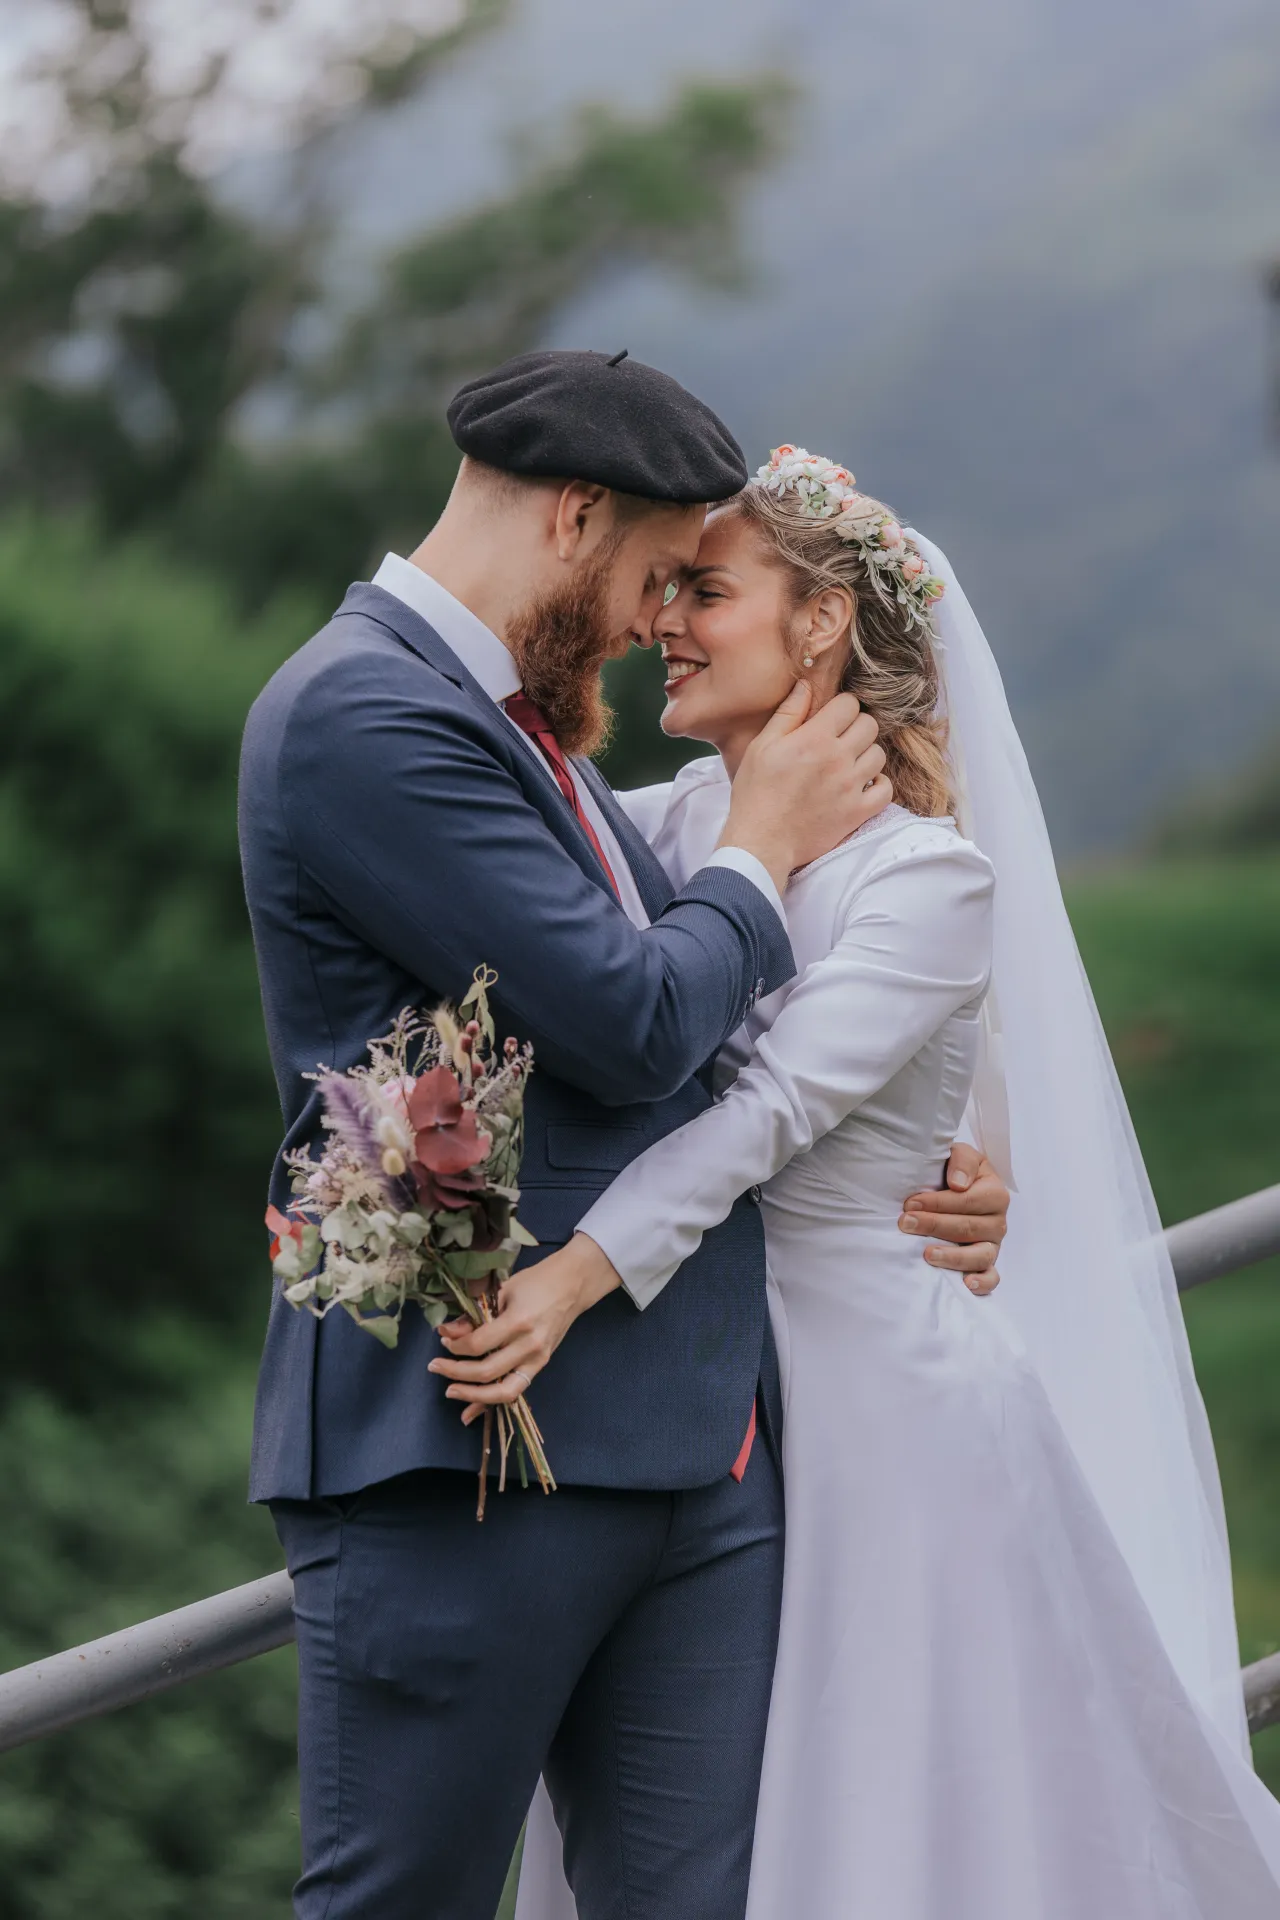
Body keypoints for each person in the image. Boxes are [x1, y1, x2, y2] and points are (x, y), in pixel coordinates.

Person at [438, 449, 1280, 1918]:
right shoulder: (685, 822)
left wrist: (577, 1272)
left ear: (821, 626)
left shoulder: (928, 878)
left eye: (707, 589)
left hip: (881, 1418)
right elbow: (538, 891)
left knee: (896, 1803)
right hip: (715, 1397)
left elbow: (773, 1109)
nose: (668, 625)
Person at [237, 359, 1008, 1920]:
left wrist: (940, 1168)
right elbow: (634, 1019)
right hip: (466, 1445)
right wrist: (761, 844)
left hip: (700, 1443)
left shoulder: (540, 740)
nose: (658, 619)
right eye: (657, 575)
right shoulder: (361, 712)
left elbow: (773, 1039)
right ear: (577, 517)